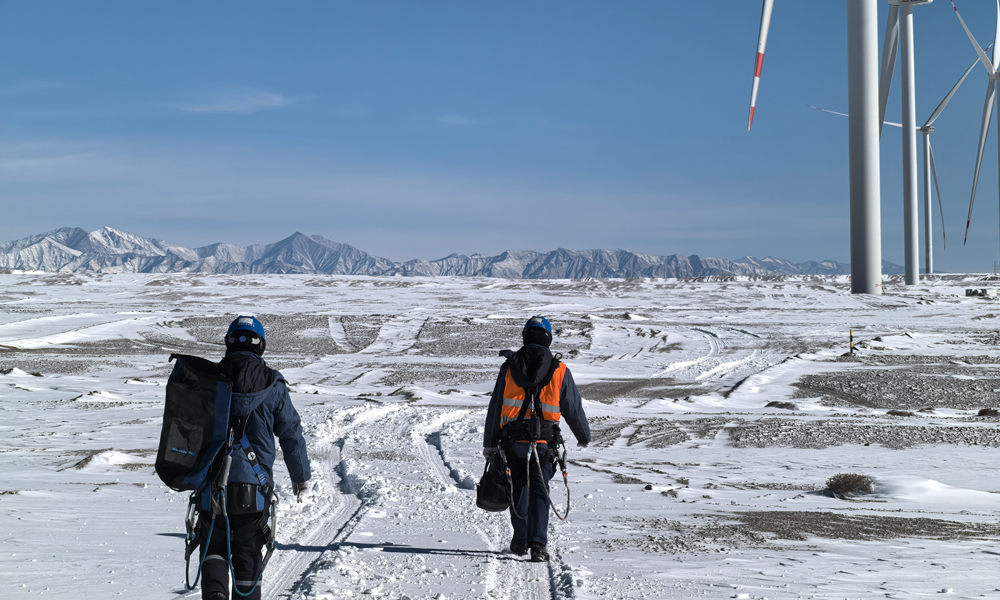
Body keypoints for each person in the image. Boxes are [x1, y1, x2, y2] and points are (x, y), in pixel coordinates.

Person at [197, 315, 311, 600]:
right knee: (247, 553)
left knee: (214, 547)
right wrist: (299, 476)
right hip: (252, 491)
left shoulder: (206, 379)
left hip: (210, 487)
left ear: (228, 343)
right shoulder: (273, 384)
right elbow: (291, 434)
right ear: (261, 345)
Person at [483, 316, 591, 562]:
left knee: (517, 486)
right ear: (548, 338)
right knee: (540, 489)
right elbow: (572, 409)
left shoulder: (509, 367)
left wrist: (489, 444)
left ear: (525, 336)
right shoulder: (560, 370)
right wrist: (583, 436)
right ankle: (538, 545)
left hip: (512, 442)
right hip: (544, 443)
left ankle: (520, 539)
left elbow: (496, 406)